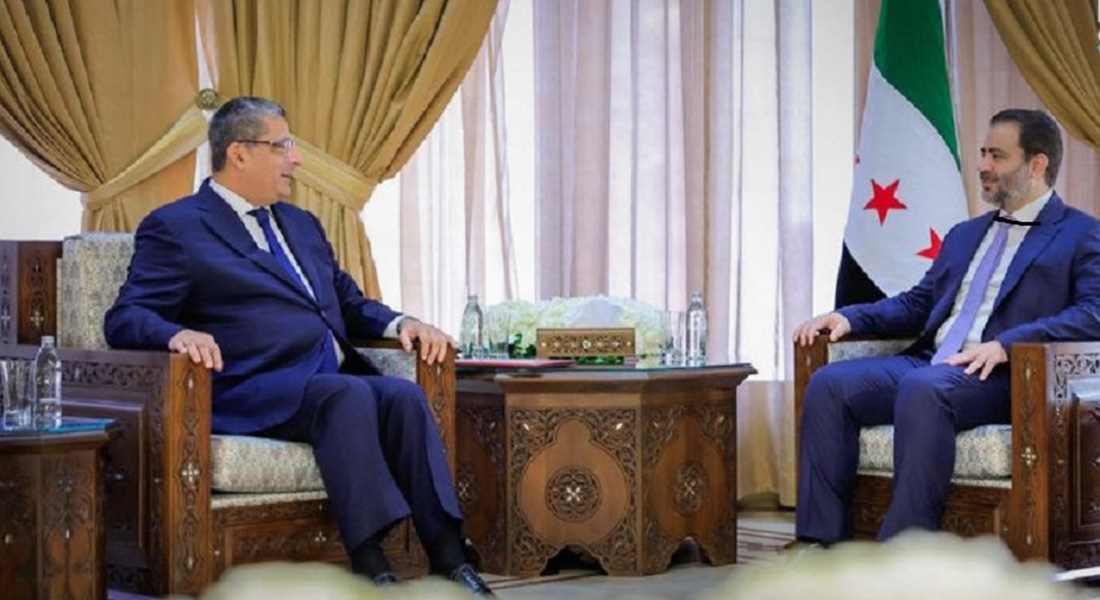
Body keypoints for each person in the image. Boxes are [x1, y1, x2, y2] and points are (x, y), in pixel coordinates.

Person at [104, 96, 493, 596]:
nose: (297, 158)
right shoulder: (177, 227)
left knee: (403, 396)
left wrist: (404, 322)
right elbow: (125, 316)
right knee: (347, 393)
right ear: (239, 153)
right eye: (283, 145)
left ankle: (449, 559)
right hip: (249, 388)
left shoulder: (301, 224)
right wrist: (175, 334)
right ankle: (371, 567)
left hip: (320, 384)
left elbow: (347, 303)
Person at [791, 109, 1100, 546]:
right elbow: (919, 304)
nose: (983, 165)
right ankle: (820, 544)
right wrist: (851, 317)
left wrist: (1007, 344)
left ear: (1037, 165)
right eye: (983, 153)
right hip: (931, 362)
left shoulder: (1082, 234)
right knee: (830, 385)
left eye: (997, 156)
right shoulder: (965, 234)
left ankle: (907, 549)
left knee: (924, 389)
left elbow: (1093, 313)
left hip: (1004, 375)